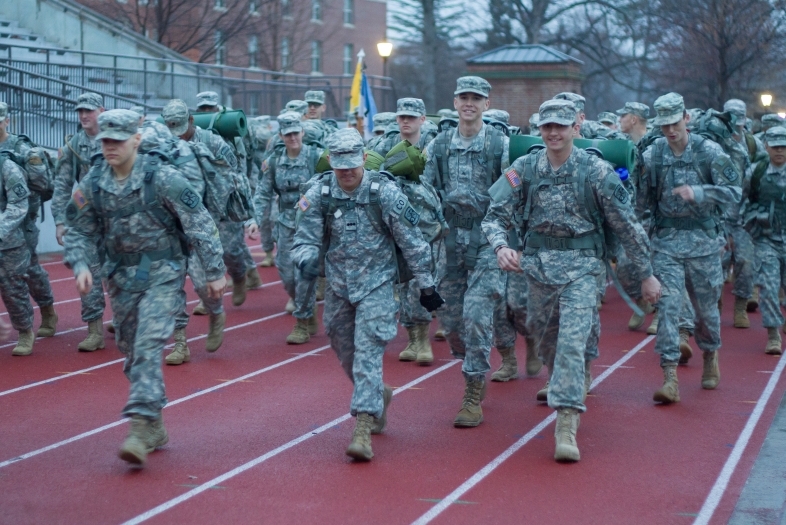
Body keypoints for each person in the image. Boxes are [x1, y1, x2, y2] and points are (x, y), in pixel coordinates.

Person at [483, 98, 659, 462]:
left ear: (575, 128)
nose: (552, 132)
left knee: (572, 341)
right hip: (537, 271)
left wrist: (646, 274)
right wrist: (501, 246)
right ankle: (573, 376)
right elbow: (493, 215)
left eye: (560, 126)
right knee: (549, 344)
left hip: (583, 268)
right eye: (546, 126)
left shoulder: (595, 171)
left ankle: (566, 422)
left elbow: (627, 226)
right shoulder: (524, 168)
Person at [64, 109, 226, 466]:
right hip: (119, 276)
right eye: (105, 141)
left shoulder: (163, 178)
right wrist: (79, 263)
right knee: (130, 349)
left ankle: (138, 426)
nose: (110, 147)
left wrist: (214, 270)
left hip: (163, 271)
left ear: (136, 140)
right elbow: (77, 228)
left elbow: (199, 221)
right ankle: (155, 424)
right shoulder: (92, 183)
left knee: (149, 343)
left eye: (117, 141)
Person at [292, 128, 442, 461]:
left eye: (352, 163)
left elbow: (413, 242)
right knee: (343, 346)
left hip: (378, 284)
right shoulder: (319, 194)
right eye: (339, 164)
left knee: (368, 351)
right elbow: (304, 238)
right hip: (339, 286)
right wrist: (304, 259)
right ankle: (377, 394)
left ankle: (363, 426)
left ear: (363, 158)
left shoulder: (383, 193)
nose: (346, 171)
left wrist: (427, 286)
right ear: (330, 161)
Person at [638, 92, 741, 404]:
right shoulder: (653, 155)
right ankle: (669, 377)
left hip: (704, 245)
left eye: (674, 122)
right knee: (668, 307)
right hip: (666, 243)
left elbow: (734, 192)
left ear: (686, 118)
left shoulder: (709, 152)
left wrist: (700, 192)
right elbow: (641, 203)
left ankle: (710, 355)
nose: (670, 130)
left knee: (706, 312)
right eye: (664, 125)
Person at [421, 76, 511, 428]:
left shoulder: (501, 146)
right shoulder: (438, 146)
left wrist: (504, 234)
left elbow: (514, 191)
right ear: (455, 102)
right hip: (449, 240)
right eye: (464, 97)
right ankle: (470, 361)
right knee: (452, 321)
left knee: (476, 315)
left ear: (487, 104)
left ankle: (473, 388)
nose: (469, 103)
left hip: (487, 238)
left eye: (477, 98)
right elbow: (424, 188)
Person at [162, 99, 255, 309]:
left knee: (231, 251)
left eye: (182, 128)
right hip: (192, 211)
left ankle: (239, 275)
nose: (178, 134)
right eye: (172, 128)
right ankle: (211, 302)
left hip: (221, 207)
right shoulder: (166, 146)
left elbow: (235, 174)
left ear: (191, 120)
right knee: (199, 254)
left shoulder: (212, 141)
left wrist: (247, 212)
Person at [247, 112, 321, 343]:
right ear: (281, 135)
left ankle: (301, 321)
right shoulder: (275, 161)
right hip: (286, 222)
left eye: (296, 133)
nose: (293, 138)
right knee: (287, 274)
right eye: (288, 134)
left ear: (303, 133)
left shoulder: (316, 158)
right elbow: (262, 193)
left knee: (304, 273)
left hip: (311, 223)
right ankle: (305, 306)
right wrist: (255, 219)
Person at [52, 92, 108, 351]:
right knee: (88, 272)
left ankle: (124, 317)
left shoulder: (117, 136)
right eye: (80, 111)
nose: (84, 116)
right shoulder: (74, 144)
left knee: (122, 272)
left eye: (89, 111)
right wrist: (61, 221)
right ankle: (94, 330)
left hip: (120, 217)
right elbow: (62, 185)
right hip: (87, 219)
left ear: (101, 110)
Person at [194, 92, 263, 294]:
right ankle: (207, 300)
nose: (207, 112)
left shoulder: (231, 135)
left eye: (210, 108)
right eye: (203, 109)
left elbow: (239, 169)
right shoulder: (193, 132)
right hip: (203, 200)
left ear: (217, 109)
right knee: (203, 249)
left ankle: (240, 275)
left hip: (227, 199)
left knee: (231, 250)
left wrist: (246, 208)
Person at [0, 101, 58, 338]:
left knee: (30, 270)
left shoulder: (21, 147)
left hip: (22, 222)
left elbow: (42, 185)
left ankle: (47, 309)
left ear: (6, 121)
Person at [744, 126, 786, 354]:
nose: (780, 150)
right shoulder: (756, 172)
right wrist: (745, 223)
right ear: (767, 146)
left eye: (784, 146)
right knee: (769, 288)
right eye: (775, 146)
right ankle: (773, 334)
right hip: (766, 240)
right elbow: (740, 200)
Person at [722, 98, 760, 327]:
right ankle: (713, 306)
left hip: (744, 215)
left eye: (740, 115)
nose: (736, 121)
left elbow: (761, 175)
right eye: (731, 115)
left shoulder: (753, 144)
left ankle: (740, 305)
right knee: (716, 264)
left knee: (745, 261)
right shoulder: (714, 143)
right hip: (718, 215)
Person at [0, 144, 36, 355]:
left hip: (9, 243)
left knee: (13, 291)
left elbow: (19, 204)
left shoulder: (7, 167)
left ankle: (24, 331)